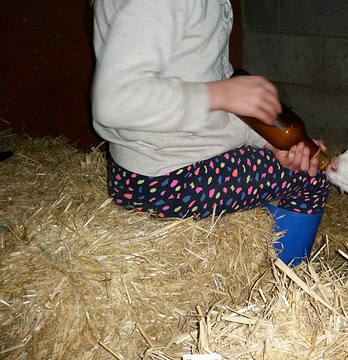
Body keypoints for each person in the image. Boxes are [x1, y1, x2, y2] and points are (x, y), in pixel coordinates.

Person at [91, 0, 330, 257]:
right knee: (311, 178)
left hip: (149, 163)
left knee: (292, 166)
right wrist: (219, 94)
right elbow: (115, 101)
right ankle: (286, 287)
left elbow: (207, 76)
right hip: (168, 177)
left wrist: (268, 143)